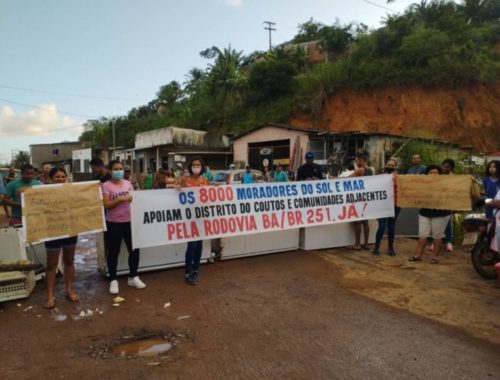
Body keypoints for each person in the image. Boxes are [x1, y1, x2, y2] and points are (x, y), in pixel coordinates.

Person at [102, 160, 146, 294]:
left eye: (120, 168)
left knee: (134, 250)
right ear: (110, 171)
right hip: (114, 223)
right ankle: (113, 280)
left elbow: (134, 198)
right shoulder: (106, 185)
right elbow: (106, 205)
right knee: (113, 252)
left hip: (130, 222)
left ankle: (133, 276)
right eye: (116, 169)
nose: (119, 171)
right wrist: (120, 199)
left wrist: (133, 199)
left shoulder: (128, 183)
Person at [43, 167, 79, 309]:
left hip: (70, 230)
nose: (60, 179)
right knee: (52, 265)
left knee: (69, 262)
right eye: (57, 177)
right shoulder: (43, 192)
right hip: (52, 232)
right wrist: (26, 194)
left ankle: (69, 290)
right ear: (50, 179)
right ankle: (50, 295)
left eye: (63, 176)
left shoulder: (72, 190)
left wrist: (95, 188)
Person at [409, 164, 451, 263]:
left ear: (439, 174)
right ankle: (418, 255)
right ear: (427, 174)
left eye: (435, 172)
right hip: (425, 212)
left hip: (441, 214)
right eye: (431, 172)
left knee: (437, 236)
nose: (433, 174)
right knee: (422, 234)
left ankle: (434, 256)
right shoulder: (422, 184)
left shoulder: (446, 183)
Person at [177, 157, 209, 285]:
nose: (196, 166)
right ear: (190, 166)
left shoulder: (205, 179)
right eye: (194, 164)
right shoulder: (185, 179)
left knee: (199, 245)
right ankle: (188, 272)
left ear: (202, 166)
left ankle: (195, 270)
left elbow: (209, 195)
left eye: (198, 164)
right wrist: (177, 187)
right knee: (192, 245)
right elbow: (176, 191)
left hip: (201, 216)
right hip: (189, 217)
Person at [373, 159, 400, 256]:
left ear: (395, 167)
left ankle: (391, 248)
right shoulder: (380, 177)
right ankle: (376, 247)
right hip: (382, 205)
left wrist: (396, 182)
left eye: (392, 165)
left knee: (391, 226)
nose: (390, 166)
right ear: (385, 165)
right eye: (388, 165)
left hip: (395, 205)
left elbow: (403, 189)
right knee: (381, 226)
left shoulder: (399, 178)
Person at [348, 153, 373, 250]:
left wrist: (333, 179)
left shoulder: (361, 170)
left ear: (361, 160)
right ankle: (366, 243)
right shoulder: (370, 170)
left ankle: (357, 244)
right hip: (365, 198)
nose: (356, 162)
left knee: (357, 222)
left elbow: (347, 179)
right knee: (365, 222)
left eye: (357, 160)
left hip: (358, 198)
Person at [441, 158, 456, 252]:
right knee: (436, 223)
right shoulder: (437, 175)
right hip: (438, 202)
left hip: (449, 202)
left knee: (448, 222)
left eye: (448, 167)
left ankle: (449, 242)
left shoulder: (454, 178)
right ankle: (435, 242)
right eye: (444, 166)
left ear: (451, 168)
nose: (445, 168)